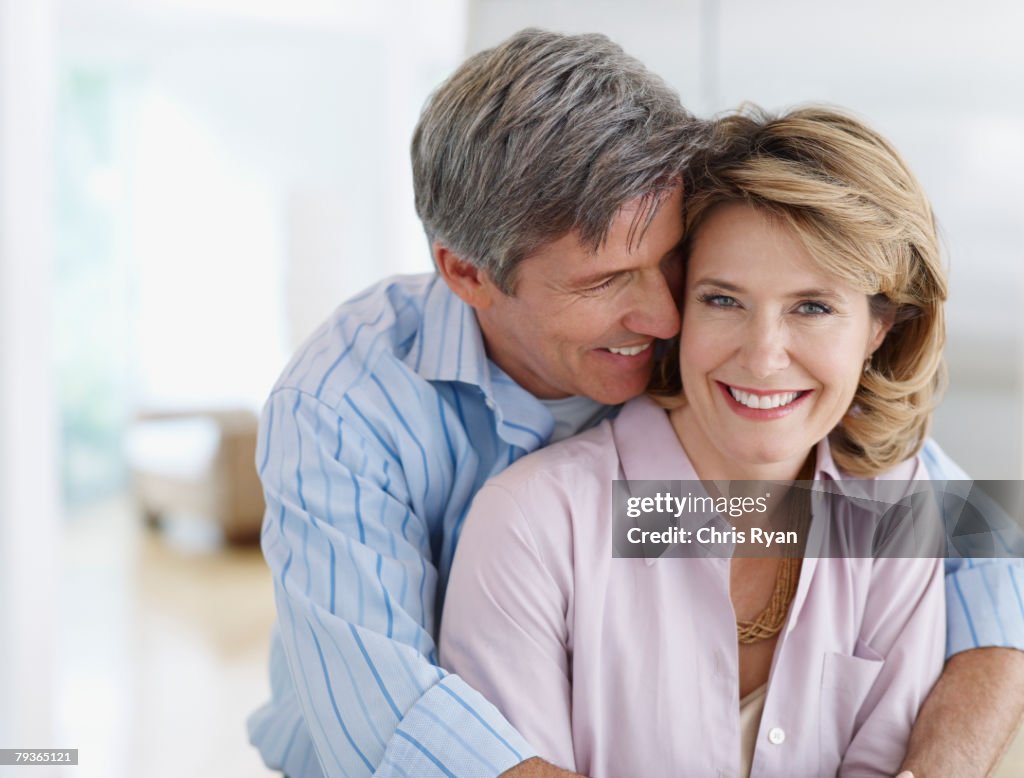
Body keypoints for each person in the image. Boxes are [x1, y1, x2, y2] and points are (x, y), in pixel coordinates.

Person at [247, 29, 1024, 778]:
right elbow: (392, 727)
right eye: (604, 281)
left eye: (672, 264)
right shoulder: (345, 412)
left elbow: (968, 539)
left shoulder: (800, 452)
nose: (663, 316)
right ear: (469, 274)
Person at [439, 105, 951, 776]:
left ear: (880, 327)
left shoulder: (899, 511)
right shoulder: (534, 523)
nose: (764, 357)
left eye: (814, 307)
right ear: (677, 308)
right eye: (723, 300)